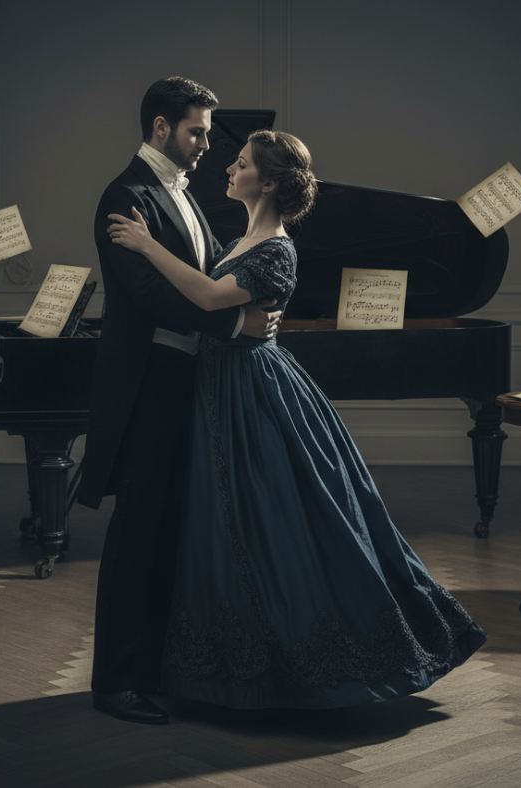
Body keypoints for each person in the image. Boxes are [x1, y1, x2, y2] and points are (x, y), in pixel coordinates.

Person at [106, 129, 487, 710]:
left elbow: (207, 299)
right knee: (229, 520)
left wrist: (145, 245)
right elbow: (208, 295)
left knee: (280, 515)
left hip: (252, 390)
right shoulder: (237, 237)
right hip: (220, 383)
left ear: (270, 180)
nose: (229, 170)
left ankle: (321, 661)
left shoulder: (277, 248)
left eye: (240, 164)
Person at [76, 77, 281, 725]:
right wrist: (233, 325)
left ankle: (152, 669)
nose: (205, 145)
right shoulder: (126, 195)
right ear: (160, 128)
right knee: (141, 529)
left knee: (168, 527)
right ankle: (114, 682)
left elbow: (207, 276)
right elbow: (147, 294)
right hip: (150, 385)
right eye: (196, 131)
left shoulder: (183, 198)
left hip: (180, 380)